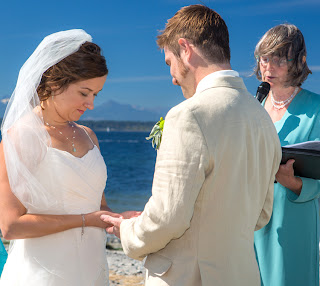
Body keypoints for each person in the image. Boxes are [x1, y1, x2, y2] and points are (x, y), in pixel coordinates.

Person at [101, 5, 282, 286]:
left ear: (185, 48)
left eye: (169, 62)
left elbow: (168, 219)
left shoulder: (189, 115)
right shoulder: (264, 119)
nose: (172, 77)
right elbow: (262, 214)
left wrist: (127, 229)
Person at [0, 29, 137, 285]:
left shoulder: (89, 136)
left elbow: (98, 206)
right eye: (84, 93)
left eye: (95, 95)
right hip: (43, 273)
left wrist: (117, 219)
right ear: (54, 84)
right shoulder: (21, 137)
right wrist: (86, 221)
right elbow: (10, 225)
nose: (91, 104)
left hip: (92, 268)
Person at [253, 24, 320, 286]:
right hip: (251, 219)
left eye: (280, 59)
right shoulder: (254, 104)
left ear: (300, 61)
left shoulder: (317, 108)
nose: (269, 67)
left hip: (293, 218)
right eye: (265, 58)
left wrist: (290, 180)